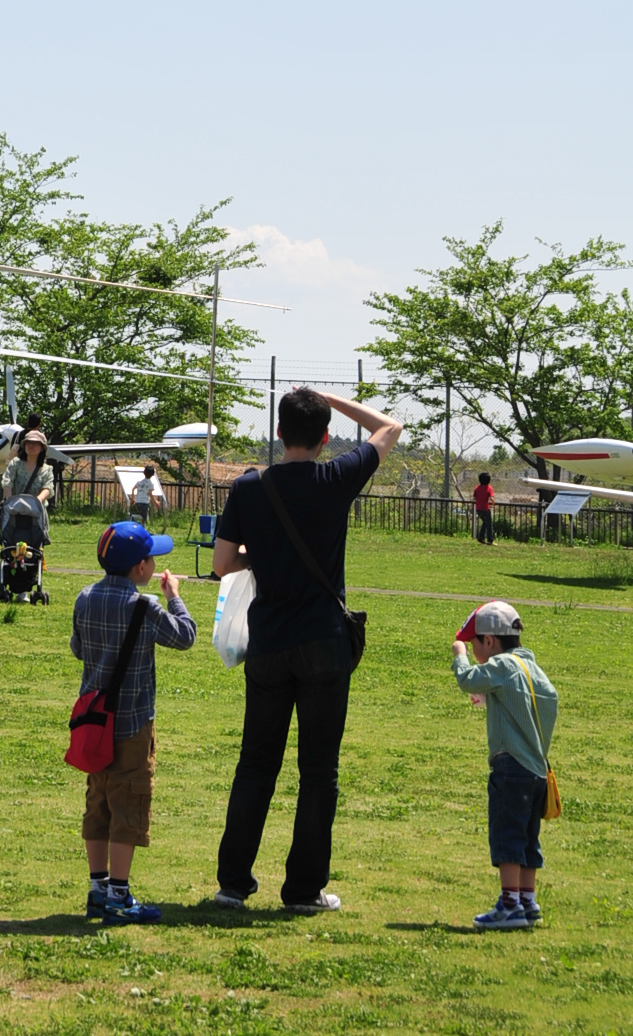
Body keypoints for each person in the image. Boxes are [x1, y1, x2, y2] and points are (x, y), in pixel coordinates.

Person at [212, 385, 403, 915]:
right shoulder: (336, 476)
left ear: (277, 433)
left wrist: (265, 557)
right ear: (324, 438)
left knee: (256, 764)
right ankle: (302, 890)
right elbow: (389, 427)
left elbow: (224, 564)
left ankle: (232, 884)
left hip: (269, 641)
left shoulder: (250, 488)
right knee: (319, 769)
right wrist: (330, 398)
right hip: (323, 640)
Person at [69, 520, 197, 925]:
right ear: (141, 568)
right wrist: (174, 597)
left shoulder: (84, 597)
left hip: (92, 722)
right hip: (132, 723)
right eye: (152, 557)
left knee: (98, 802)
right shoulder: (145, 607)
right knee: (129, 802)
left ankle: (97, 887)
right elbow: (185, 636)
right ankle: (120, 895)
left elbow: (78, 648)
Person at [450, 599, 558, 930]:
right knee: (528, 838)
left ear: (490, 641)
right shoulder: (532, 671)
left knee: (507, 835)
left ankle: (509, 905)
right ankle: (528, 901)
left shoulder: (503, 666)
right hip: (536, 771)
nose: (473, 650)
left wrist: (459, 656)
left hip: (510, 769)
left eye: (475, 645)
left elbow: (469, 679)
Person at [4, 429, 54, 508]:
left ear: (42, 448)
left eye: (35, 443)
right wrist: (10, 501)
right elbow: (7, 483)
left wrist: (38, 500)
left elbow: (48, 487)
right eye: (28, 442)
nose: (31, 445)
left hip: (36, 512)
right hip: (15, 510)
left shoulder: (47, 469)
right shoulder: (15, 463)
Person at [473, 472, 496, 545]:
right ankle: (490, 540)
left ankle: (481, 537)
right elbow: (491, 498)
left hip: (478, 509)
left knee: (485, 523)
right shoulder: (489, 488)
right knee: (489, 524)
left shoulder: (477, 488)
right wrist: (493, 503)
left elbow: (474, 497)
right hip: (486, 508)